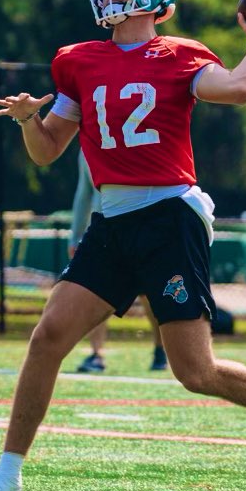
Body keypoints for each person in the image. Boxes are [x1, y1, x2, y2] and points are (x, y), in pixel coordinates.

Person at [0, 0, 246, 491]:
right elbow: (48, 150)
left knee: (194, 372)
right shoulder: (76, 60)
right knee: (48, 335)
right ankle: (5, 475)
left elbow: (241, 90)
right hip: (113, 216)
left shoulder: (180, 54)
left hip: (170, 213)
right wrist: (30, 119)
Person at [70, 148, 168, 372]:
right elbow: (83, 192)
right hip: (102, 230)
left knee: (148, 295)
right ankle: (96, 354)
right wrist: (75, 236)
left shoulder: (126, 141)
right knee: (96, 291)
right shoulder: (86, 147)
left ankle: (160, 348)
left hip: (138, 226)